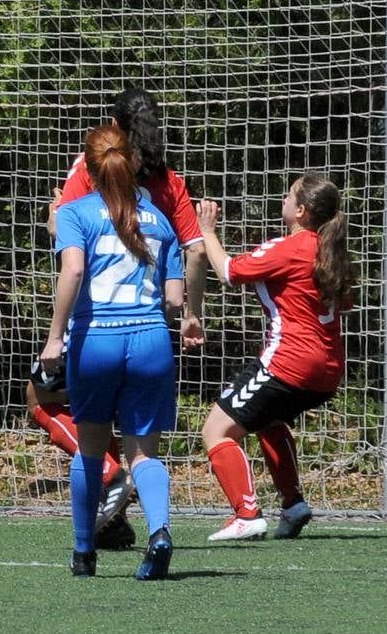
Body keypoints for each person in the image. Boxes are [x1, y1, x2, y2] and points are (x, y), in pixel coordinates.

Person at [34, 86, 208, 548]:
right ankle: (146, 526)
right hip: (151, 333)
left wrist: (55, 225)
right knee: (142, 445)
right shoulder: (168, 190)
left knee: (46, 402)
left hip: (95, 331)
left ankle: (101, 503)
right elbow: (192, 252)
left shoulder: (89, 176)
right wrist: (192, 313)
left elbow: (69, 251)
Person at [197, 173, 355, 542]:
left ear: (300, 210)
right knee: (270, 420)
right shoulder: (332, 251)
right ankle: (294, 503)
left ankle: (247, 513)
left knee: (216, 430)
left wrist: (208, 231)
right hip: (329, 370)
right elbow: (344, 303)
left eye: (288, 195)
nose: (282, 200)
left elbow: (229, 272)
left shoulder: (290, 247)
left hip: (290, 362)